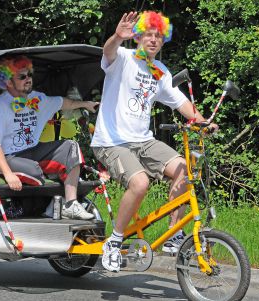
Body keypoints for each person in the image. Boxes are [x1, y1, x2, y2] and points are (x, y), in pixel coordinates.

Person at [90, 11, 219, 272]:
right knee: (140, 183)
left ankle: (173, 236)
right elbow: (107, 52)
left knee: (185, 169)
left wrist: (204, 123)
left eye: (158, 36)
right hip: (111, 142)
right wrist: (117, 36)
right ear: (138, 36)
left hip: (142, 141)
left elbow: (181, 102)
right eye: (148, 34)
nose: (153, 40)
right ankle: (114, 242)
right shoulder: (123, 59)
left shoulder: (159, 71)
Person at [0, 55, 99, 220]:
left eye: (29, 75)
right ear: (9, 82)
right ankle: (40, 206)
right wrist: (8, 174)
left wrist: (85, 104)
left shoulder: (37, 98)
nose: (28, 79)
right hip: (2, 158)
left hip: (31, 150)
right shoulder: (0, 106)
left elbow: (63, 103)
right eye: (22, 76)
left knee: (71, 147)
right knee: (33, 171)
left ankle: (70, 204)